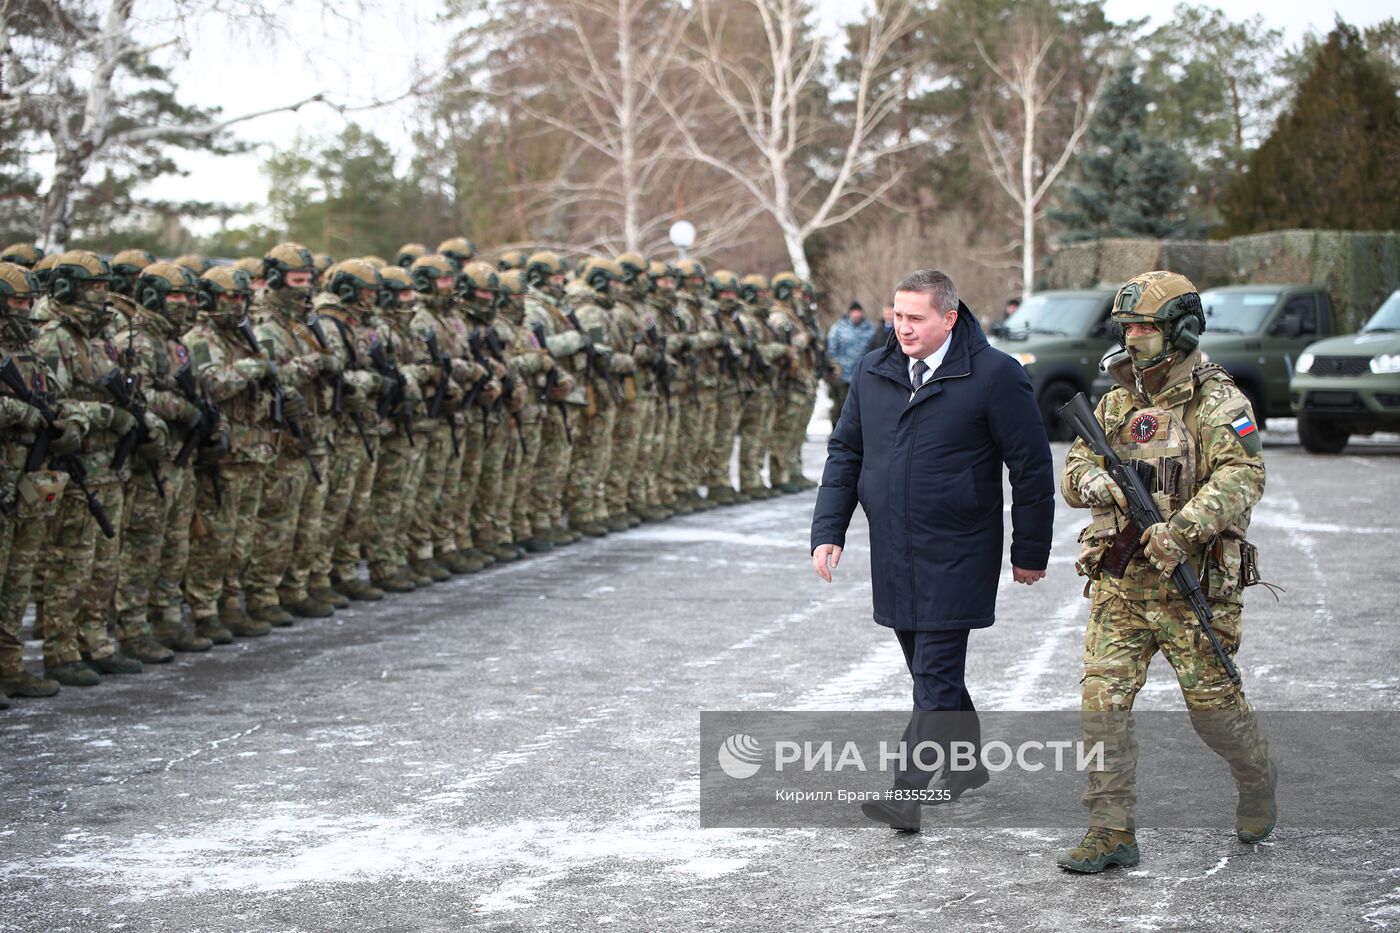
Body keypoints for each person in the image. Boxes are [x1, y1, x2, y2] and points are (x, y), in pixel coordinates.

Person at [809, 268, 1055, 833]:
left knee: (935, 675)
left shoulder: (995, 375)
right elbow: (845, 453)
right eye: (896, 316)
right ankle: (965, 767)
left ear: (949, 318)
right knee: (929, 673)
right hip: (894, 549)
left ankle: (906, 791)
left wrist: (1031, 548)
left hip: (960, 548)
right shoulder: (874, 370)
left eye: (915, 318)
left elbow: (1031, 466)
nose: (902, 328)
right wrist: (829, 531)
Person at [1056, 270, 1274, 873]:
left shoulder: (1219, 400)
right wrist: (1090, 478)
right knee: (1103, 704)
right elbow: (1076, 460)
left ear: (1181, 329)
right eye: (1126, 328)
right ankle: (1110, 831)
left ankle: (1256, 777)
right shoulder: (1116, 398)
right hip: (1122, 582)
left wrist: (1183, 529)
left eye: (1146, 327)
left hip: (1192, 582)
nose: (1133, 339)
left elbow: (1243, 477)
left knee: (1214, 712)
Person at [826, 301, 873, 419]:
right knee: (839, 407)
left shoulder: (868, 329)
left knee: (858, 408)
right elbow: (832, 348)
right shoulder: (839, 327)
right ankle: (836, 431)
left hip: (861, 375)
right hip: (842, 375)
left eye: (859, 312)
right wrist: (835, 366)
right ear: (850, 313)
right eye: (854, 312)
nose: (856, 314)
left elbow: (873, 349)